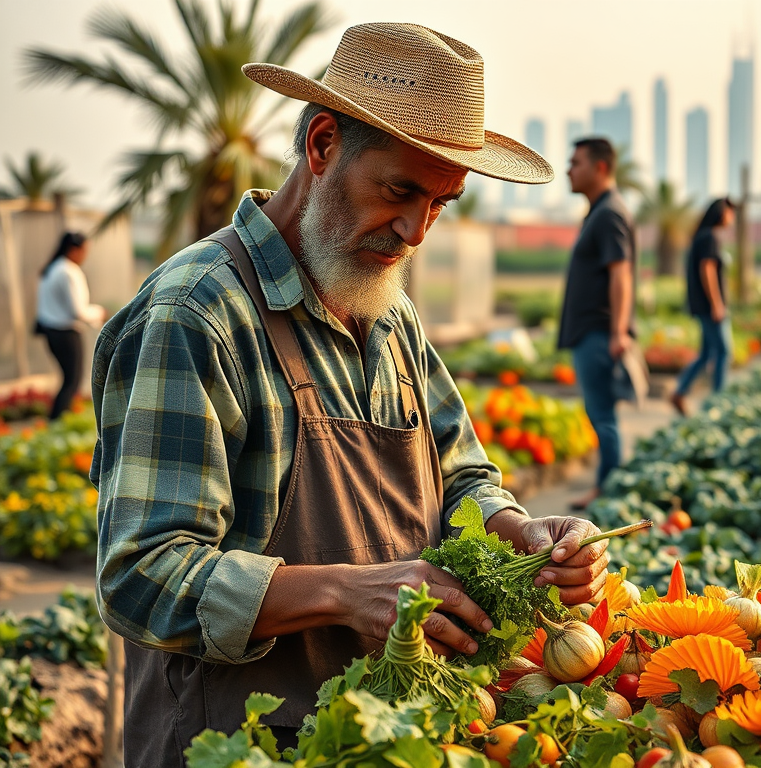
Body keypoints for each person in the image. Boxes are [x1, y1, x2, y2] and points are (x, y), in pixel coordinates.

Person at [90, 23, 611, 765]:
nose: (416, 229)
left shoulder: (385, 307)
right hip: (237, 745)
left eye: (442, 203)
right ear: (323, 144)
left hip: (385, 739)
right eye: (400, 190)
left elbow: (461, 478)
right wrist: (344, 592)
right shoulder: (196, 314)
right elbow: (141, 574)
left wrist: (519, 533)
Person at [557, 137, 637, 511]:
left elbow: (620, 273)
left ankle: (608, 492)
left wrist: (618, 331)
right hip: (594, 331)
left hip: (600, 331)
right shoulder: (600, 211)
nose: (569, 169)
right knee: (601, 414)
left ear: (601, 168)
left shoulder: (609, 214)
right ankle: (608, 488)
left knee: (602, 415)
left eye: (577, 163)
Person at [671, 198, 735, 415]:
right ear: (721, 213)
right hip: (710, 308)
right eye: (730, 212)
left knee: (707, 353)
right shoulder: (710, 237)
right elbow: (707, 269)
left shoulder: (703, 236)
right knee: (724, 351)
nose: (732, 217)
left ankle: (679, 392)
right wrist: (717, 304)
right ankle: (718, 402)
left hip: (703, 306)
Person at [35, 231, 105, 419]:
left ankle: (57, 419)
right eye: (84, 250)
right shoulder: (69, 271)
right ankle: (56, 421)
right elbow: (78, 311)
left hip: (51, 331)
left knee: (69, 379)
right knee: (72, 380)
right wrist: (99, 313)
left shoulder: (53, 268)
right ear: (74, 250)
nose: (85, 255)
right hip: (65, 332)